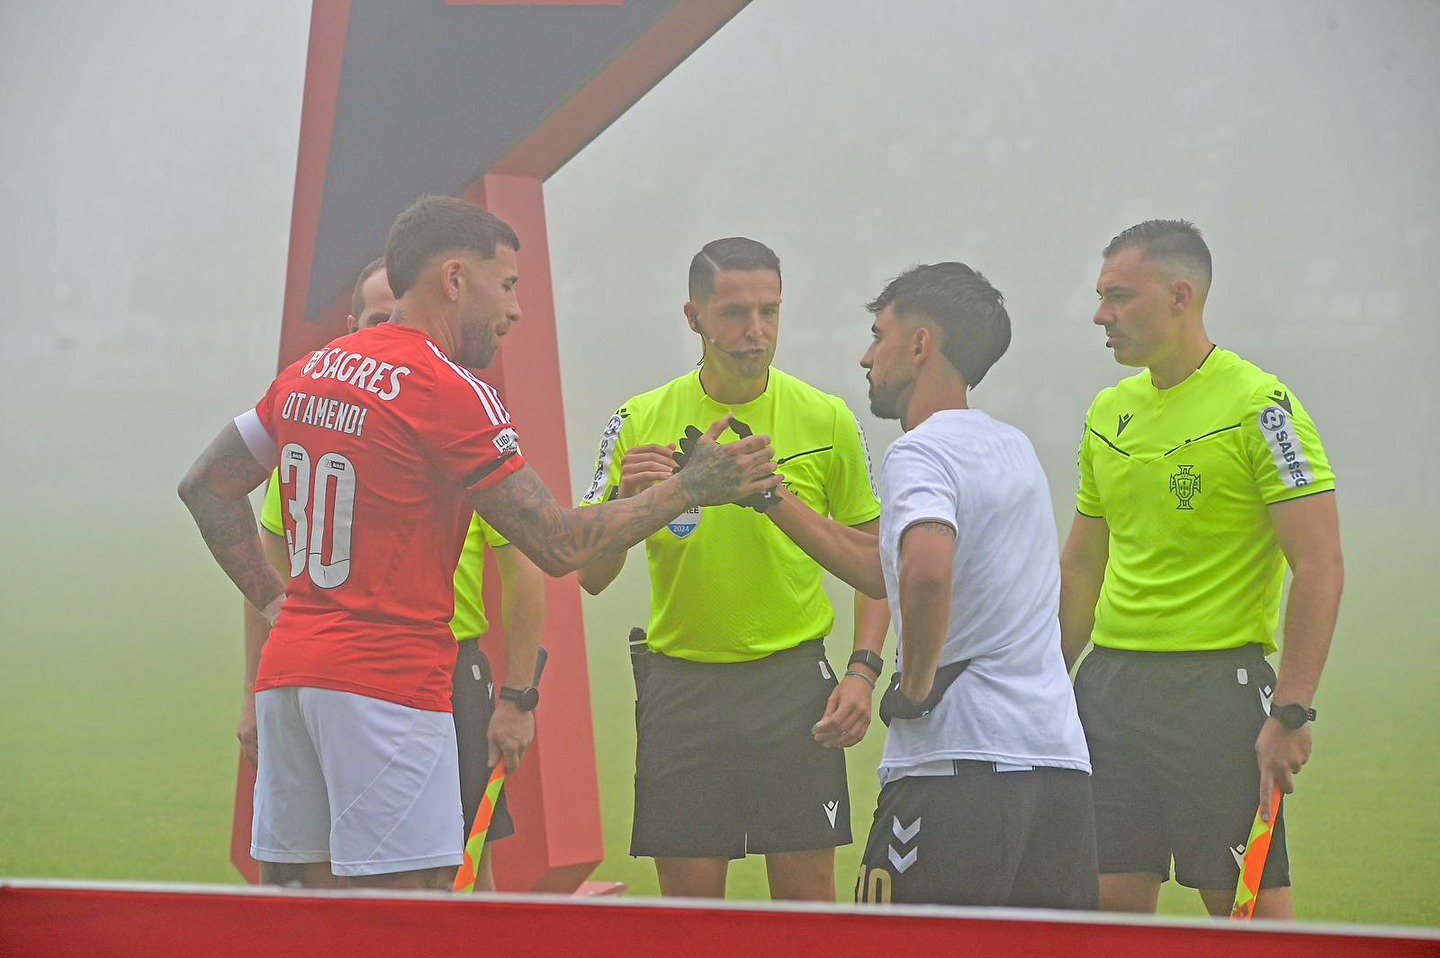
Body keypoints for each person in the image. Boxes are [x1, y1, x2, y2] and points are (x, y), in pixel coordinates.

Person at [180, 195, 778, 891]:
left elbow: (205, 486)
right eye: (508, 285)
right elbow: (556, 544)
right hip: (386, 687)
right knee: (416, 912)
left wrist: (274, 599)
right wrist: (686, 489)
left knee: (305, 913)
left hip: (290, 684)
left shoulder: (310, 371)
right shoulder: (447, 387)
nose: (516, 310)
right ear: (455, 279)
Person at [762, 262, 1098, 909]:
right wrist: (770, 497)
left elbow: (924, 569)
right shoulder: (1012, 446)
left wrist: (913, 687)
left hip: (957, 767)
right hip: (1057, 765)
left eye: (878, 333)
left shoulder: (920, 452)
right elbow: (882, 564)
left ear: (919, 346)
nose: (866, 356)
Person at [576, 237, 889, 901]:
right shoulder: (640, 420)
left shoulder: (826, 417)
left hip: (792, 687)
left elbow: (876, 562)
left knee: (808, 918)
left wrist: (862, 671)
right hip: (682, 690)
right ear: (693, 318)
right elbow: (591, 574)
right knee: (691, 924)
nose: (756, 332)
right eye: (735, 314)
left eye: (770, 312)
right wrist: (631, 503)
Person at [1059, 220, 1344, 918]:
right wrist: (1043, 684)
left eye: (1119, 297)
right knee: (1107, 907)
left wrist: (1293, 710)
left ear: (1180, 295)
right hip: (1110, 690)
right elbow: (1082, 564)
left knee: (1244, 915)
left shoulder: (1261, 406)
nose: (1102, 315)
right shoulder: (1107, 411)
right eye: (1100, 297)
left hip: (1215, 694)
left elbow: (1321, 563)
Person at [238, 256, 544, 891]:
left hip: (447, 664)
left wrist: (516, 696)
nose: (393, 336)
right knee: (380, 883)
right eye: (379, 321)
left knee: (462, 862)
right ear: (354, 326)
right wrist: (255, 681)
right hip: (372, 670)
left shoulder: (447, 415)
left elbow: (529, 566)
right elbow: (268, 564)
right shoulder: (324, 423)